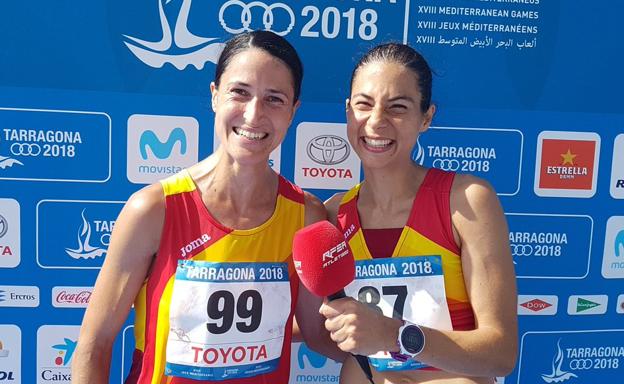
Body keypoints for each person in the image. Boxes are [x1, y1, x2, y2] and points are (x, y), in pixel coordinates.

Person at [72, 30, 343, 383]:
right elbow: (95, 345)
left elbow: (317, 334)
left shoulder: (306, 215)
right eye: (240, 92)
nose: (253, 113)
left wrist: (403, 347)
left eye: (274, 99)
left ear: (293, 111)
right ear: (215, 96)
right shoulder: (154, 209)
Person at [320, 43, 518, 384]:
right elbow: (317, 330)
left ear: (426, 117)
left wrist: (393, 335)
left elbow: (500, 354)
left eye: (398, 107)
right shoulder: (333, 215)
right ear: (348, 111)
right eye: (364, 104)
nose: (377, 121)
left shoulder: (465, 201)